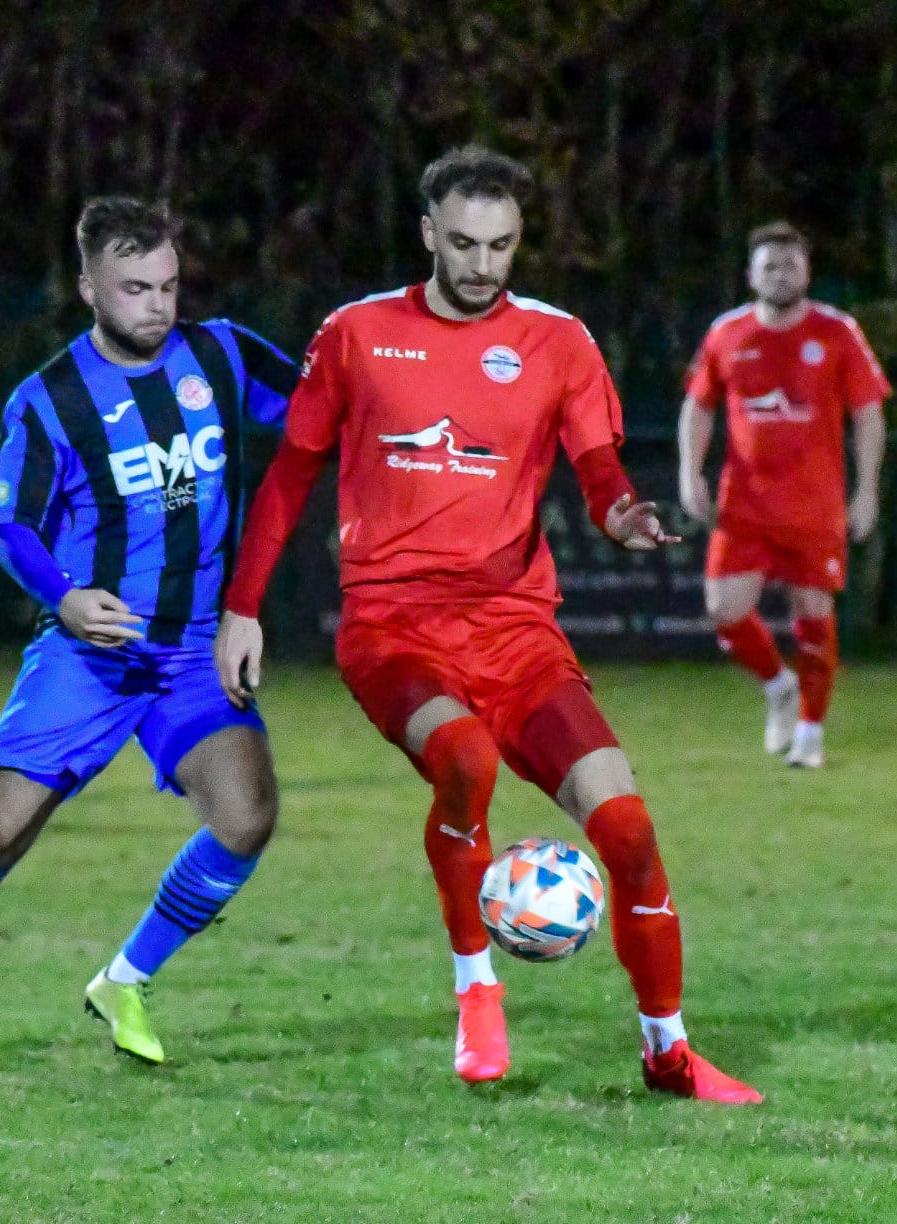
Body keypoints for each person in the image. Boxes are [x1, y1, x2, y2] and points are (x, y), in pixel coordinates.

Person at [216, 146, 761, 1104]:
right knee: (464, 758)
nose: (482, 264)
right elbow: (291, 473)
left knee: (629, 829)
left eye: (501, 245)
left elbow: (598, 468)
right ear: (429, 233)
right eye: (464, 243)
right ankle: (477, 989)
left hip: (516, 631)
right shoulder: (356, 333)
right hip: (392, 627)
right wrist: (242, 606)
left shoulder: (558, 341)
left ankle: (669, 1053)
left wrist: (622, 513)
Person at [0, 197, 298, 1067]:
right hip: (90, 655)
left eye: (168, 285)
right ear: (88, 287)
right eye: (134, 289)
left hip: (194, 647)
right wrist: (66, 596)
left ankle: (124, 979)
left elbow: (326, 408)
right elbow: (11, 527)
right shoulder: (50, 399)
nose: (157, 306)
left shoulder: (222, 355)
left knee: (246, 817)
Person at [678, 221, 891, 769]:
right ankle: (778, 687)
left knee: (814, 613)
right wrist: (690, 471)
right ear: (751, 275)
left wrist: (867, 490)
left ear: (807, 272)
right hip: (744, 503)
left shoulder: (837, 332)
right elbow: (699, 406)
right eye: (769, 266)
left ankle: (811, 733)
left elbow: (868, 413)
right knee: (724, 610)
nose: (780, 275)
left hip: (815, 505)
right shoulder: (727, 333)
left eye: (790, 265)